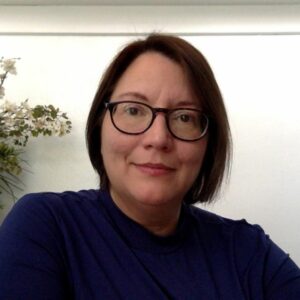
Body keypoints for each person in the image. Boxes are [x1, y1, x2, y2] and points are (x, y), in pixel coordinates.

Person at [0, 34, 299, 299]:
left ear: (209, 142)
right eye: (133, 110)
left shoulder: (247, 250)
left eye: (184, 117)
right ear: (99, 126)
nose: (158, 138)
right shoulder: (46, 226)